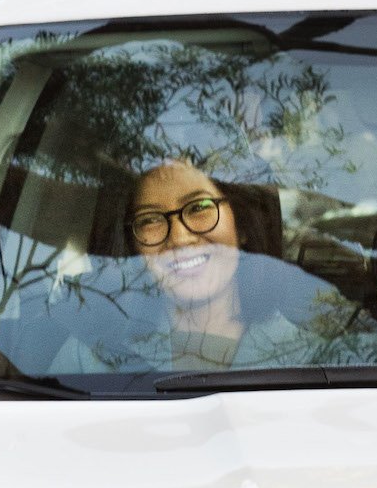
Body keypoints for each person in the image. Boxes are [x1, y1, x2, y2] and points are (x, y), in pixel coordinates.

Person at [119, 158, 316, 372]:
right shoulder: (98, 356)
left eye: (199, 207)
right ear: (135, 246)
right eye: (149, 220)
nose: (179, 238)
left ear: (241, 225)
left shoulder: (313, 360)